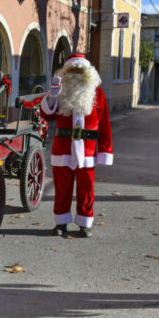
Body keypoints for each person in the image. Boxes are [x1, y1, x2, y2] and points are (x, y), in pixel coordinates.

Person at [39, 54, 113, 238]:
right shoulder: (60, 90)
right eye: (72, 70)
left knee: (86, 189)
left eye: (79, 70)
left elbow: (104, 123)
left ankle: (84, 223)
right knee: (62, 188)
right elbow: (47, 115)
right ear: (65, 72)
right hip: (63, 148)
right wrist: (51, 97)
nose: (76, 74)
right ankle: (61, 223)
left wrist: (105, 150)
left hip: (87, 150)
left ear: (87, 72)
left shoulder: (97, 93)